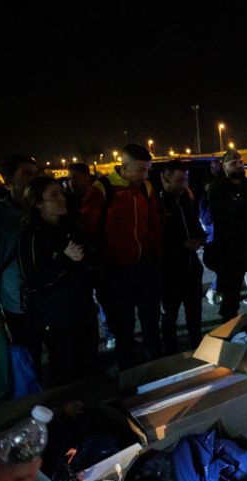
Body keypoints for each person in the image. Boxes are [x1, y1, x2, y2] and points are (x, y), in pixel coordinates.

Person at [80, 143, 162, 368]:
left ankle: (157, 366)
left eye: (148, 169)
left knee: (151, 321)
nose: (145, 175)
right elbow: (89, 231)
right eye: (141, 170)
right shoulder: (101, 190)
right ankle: (128, 371)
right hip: (115, 272)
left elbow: (154, 225)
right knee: (123, 326)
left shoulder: (146, 187)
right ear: (124, 167)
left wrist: (155, 258)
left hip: (144, 268)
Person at [18, 176, 98, 386]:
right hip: (55, 316)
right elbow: (34, 280)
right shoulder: (32, 236)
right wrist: (63, 259)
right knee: (65, 368)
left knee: (89, 363)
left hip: (83, 307)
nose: (61, 198)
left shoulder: (73, 227)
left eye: (61, 192)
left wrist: (87, 257)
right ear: (37, 202)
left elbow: (90, 261)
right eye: (53, 195)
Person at [0, 155, 42, 375]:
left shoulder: (46, 208)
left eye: (35, 172)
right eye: (26, 173)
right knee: (29, 357)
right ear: (8, 179)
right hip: (18, 303)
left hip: (51, 296)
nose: (33, 178)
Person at [206, 148, 247, 320]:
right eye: (233, 163)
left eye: (241, 162)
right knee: (231, 297)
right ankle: (229, 332)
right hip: (230, 251)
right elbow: (226, 213)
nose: (238, 165)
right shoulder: (218, 188)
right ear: (224, 167)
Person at [157, 161, 206, 354]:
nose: (183, 184)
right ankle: (170, 352)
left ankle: (198, 345)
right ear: (165, 179)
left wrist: (200, 239)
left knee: (195, 311)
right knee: (170, 314)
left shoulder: (186, 199)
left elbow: (196, 227)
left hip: (191, 268)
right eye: (179, 180)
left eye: (185, 179)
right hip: (169, 271)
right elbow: (155, 239)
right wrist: (182, 245)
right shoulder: (157, 204)